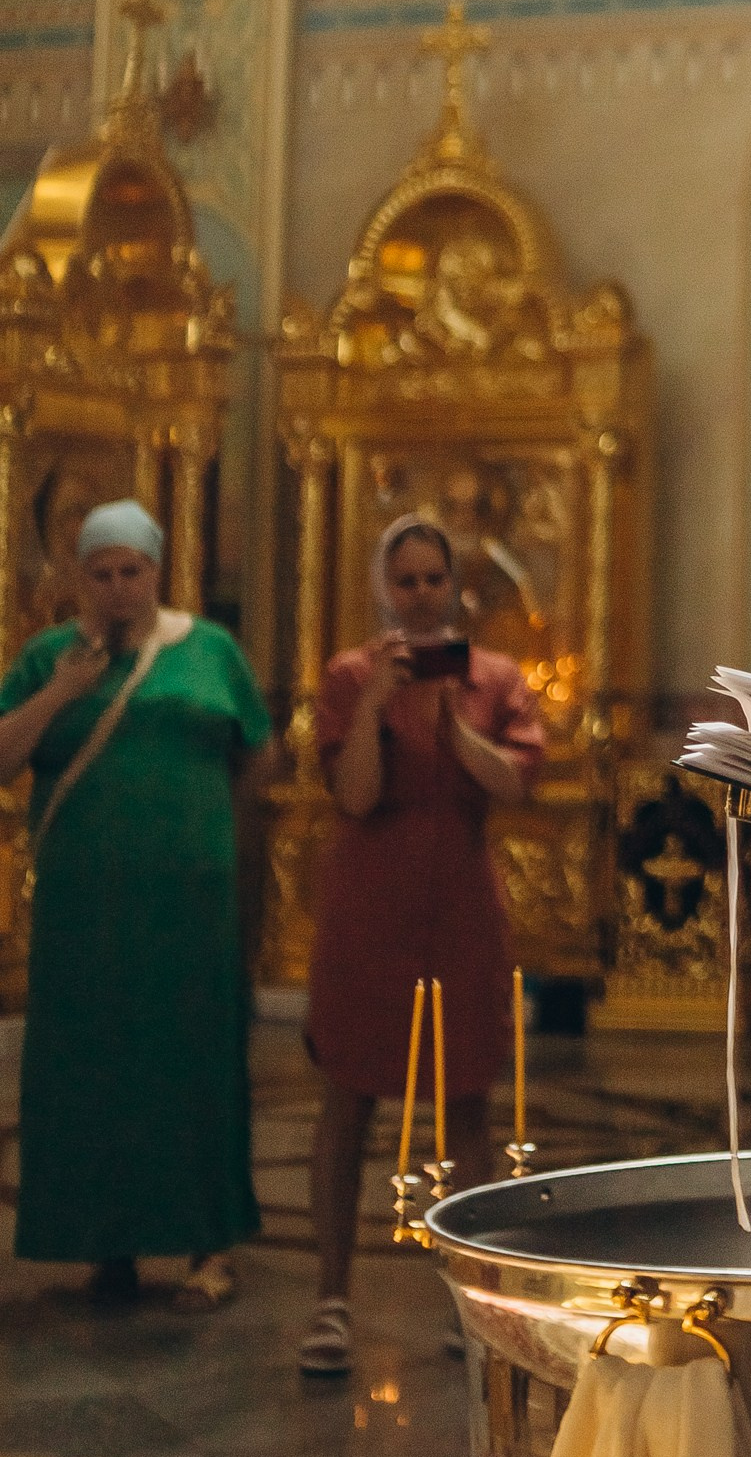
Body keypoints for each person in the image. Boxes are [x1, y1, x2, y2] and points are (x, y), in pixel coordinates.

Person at [0, 499, 271, 1307]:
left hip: (190, 906)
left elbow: (257, 756)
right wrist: (62, 692)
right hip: (85, 912)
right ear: (80, 578)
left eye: (133, 571)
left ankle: (208, 1246)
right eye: (102, 573)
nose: (119, 587)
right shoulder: (49, 656)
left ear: (159, 570)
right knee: (92, 1068)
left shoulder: (210, 650)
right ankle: (104, 1243)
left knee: (194, 1063)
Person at [300, 513, 546, 1379]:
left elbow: (514, 783)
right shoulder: (349, 676)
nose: (419, 594)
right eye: (404, 581)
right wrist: (375, 706)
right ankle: (331, 1298)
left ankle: (471, 1295)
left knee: (468, 1098)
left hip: (461, 905)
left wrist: (452, 728)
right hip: (372, 904)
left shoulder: (495, 677)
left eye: (432, 579)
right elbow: (356, 796)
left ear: (454, 586)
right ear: (384, 590)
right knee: (351, 1094)